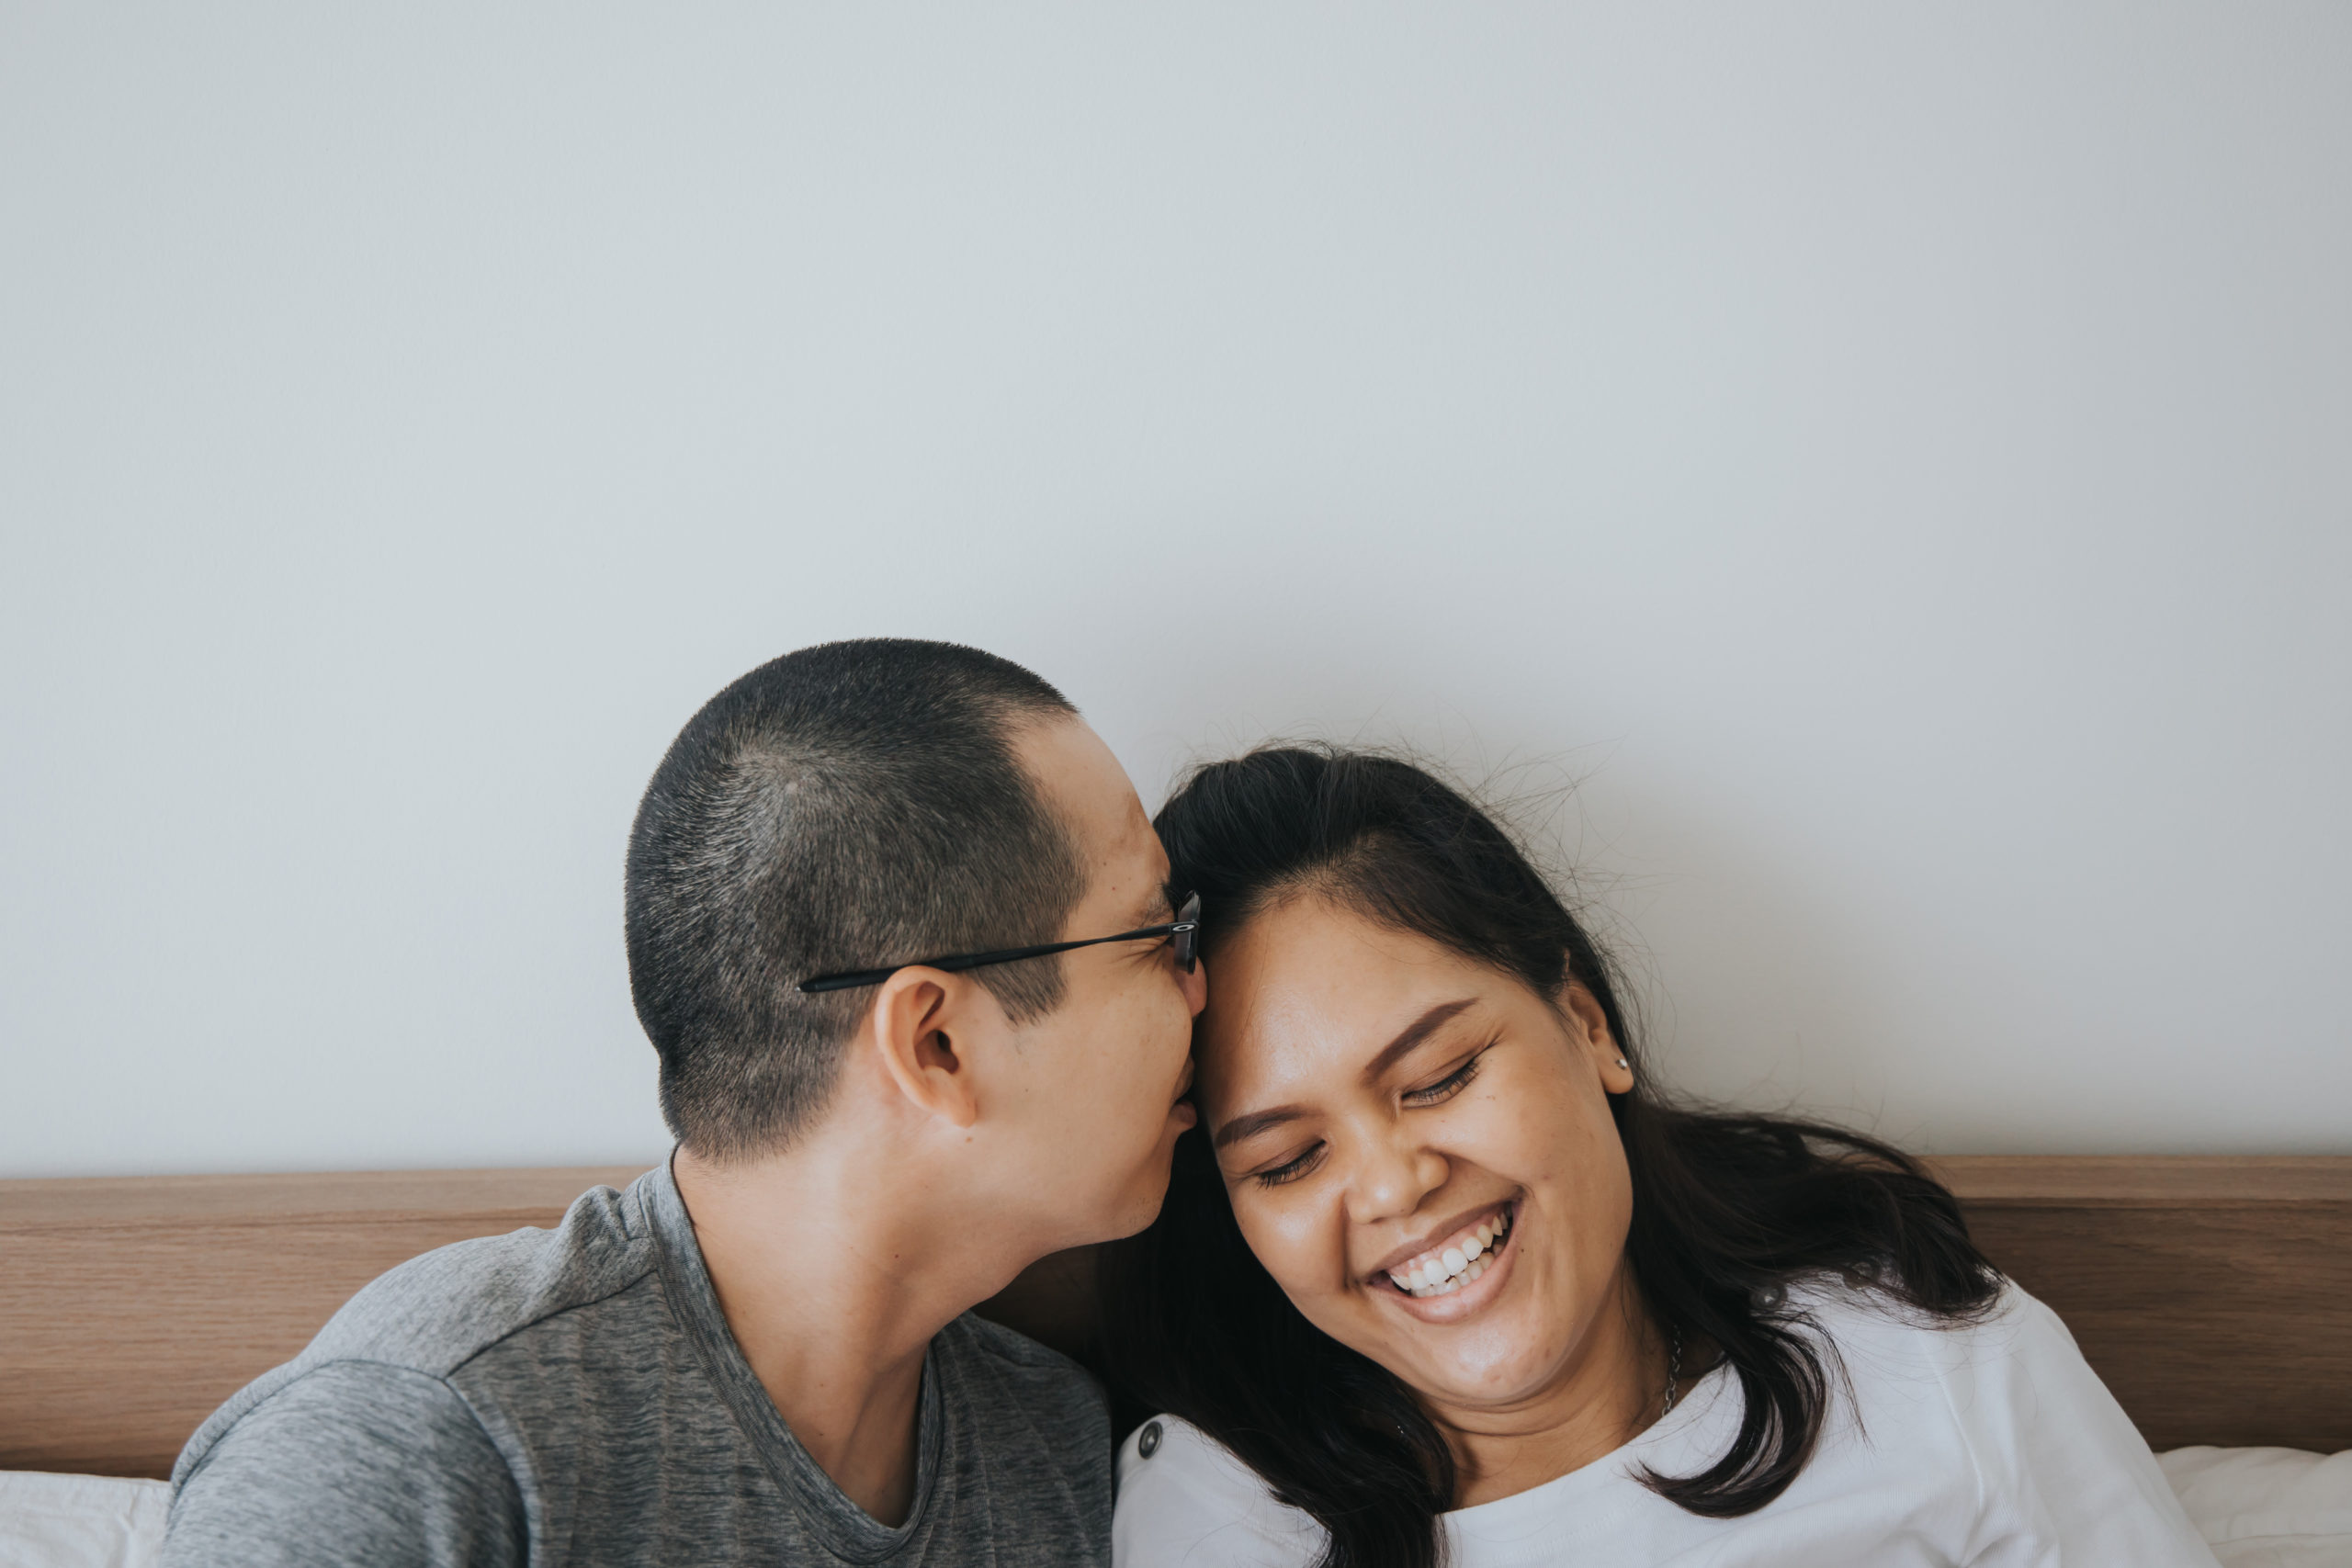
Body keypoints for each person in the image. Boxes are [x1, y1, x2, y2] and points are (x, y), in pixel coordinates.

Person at [164, 639, 1205, 1567]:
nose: (1201, 987)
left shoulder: (1050, 1449)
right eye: (1158, 932)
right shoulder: (419, 1442)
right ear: (936, 1044)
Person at [1103, 744, 2216, 1568]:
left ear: (1587, 1025)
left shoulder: (1932, 1370)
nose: (1394, 1184)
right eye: (1289, 1160)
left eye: (1439, 1078)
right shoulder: (1220, 1517)